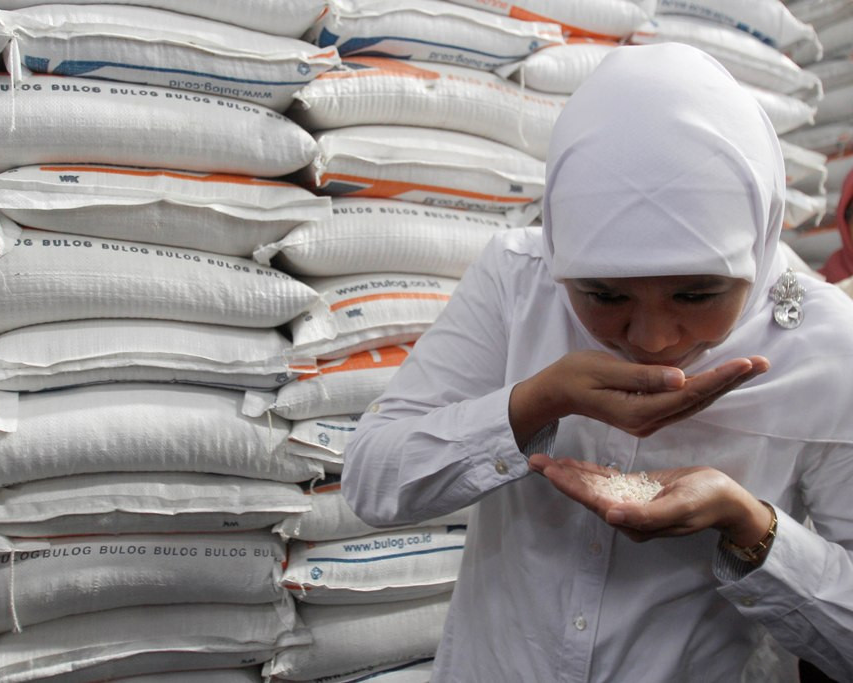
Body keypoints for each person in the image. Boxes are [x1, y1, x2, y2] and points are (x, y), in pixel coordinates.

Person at [341, 42, 853, 682]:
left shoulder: (823, 343)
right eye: (605, 295)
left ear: (760, 233)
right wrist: (539, 402)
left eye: (697, 295)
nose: (654, 338)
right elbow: (372, 480)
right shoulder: (522, 283)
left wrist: (748, 524)